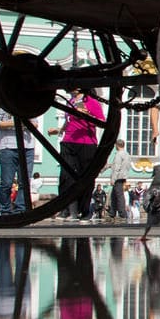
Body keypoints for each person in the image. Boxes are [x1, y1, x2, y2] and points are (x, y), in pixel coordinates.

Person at [51, 89, 105, 221]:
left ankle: (85, 210)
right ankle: (66, 209)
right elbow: (69, 120)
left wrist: (86, 114)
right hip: (68, 142)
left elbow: (102, 122)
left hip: (86, 143)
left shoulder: (92, 102)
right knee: (65, 176)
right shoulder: (71, 102)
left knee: (85, 177)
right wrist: (59, 130)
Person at [0, 107, 35, 216]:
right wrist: (15, 123)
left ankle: (20, 209)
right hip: (8, 147)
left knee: (24, 182)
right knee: (6, 182)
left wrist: (22, 123)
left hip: (27, 147)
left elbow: (35, 124)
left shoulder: (28, 104)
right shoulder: (1, 106)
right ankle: (5, 209)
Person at [104, 137, 131, 221]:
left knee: (119, 196)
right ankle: (112, 212)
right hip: (123, 176)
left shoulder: (118, 154)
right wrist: (109, 165)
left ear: (117, 145)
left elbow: (117, 167)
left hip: (118, 177)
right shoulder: (126, 154)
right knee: (114, 195)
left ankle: (122, 213)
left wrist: (113, 179)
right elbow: (125, 166)